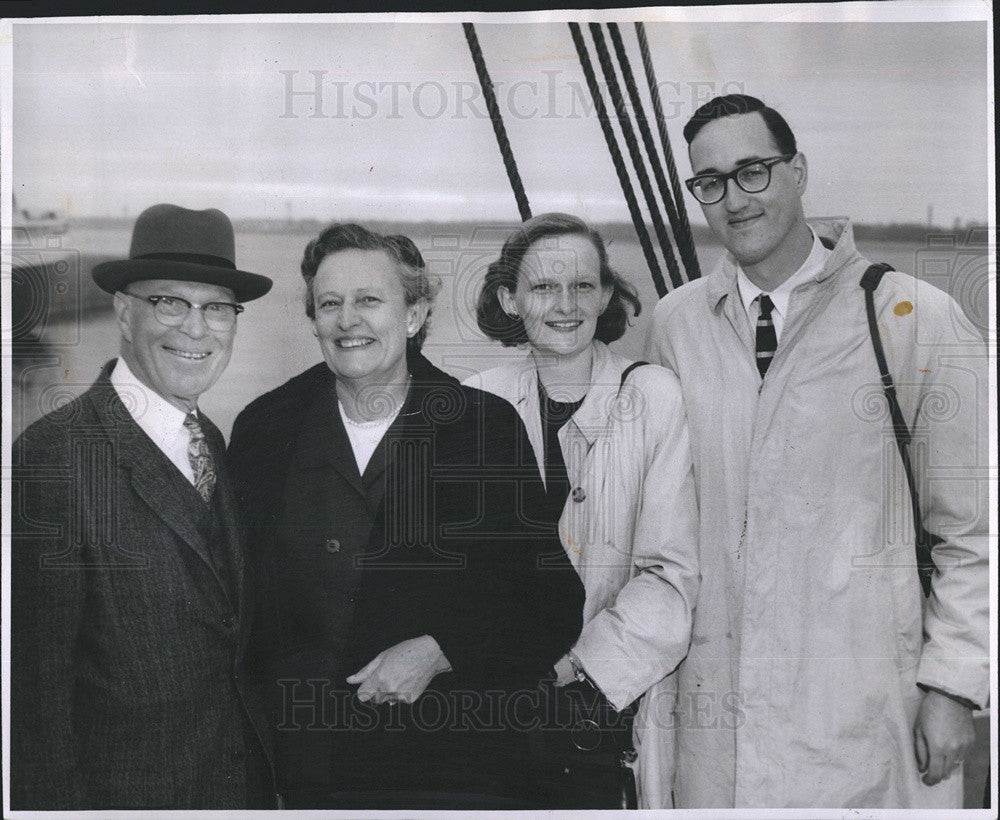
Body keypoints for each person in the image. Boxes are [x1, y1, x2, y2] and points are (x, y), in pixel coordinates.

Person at [648, 94, 989, 808]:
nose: (733, 200)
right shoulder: (676, 323)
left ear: (798, 171)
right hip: (718, 725)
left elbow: (974, 532)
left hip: (867, 713)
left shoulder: (914, 317)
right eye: (709, 182)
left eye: (753, 172)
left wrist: (954, 687)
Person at [226, 223, 584, 809]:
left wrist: (443, 648)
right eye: (330, 304)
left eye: (370, 300)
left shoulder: (481, 429)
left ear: (415, 313)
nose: (348, 321)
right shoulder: (266, 428)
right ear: (313, 319)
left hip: (449, 771)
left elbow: (550, 604)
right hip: (302, 772)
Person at [10, 204, 275, 809]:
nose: (196, 329)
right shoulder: (55, 458)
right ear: (124, 313)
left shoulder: (212, 441)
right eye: (169, 303)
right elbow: (34, 703)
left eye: (216, 308)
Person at [464, 212, 699, 808]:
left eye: (582, 286)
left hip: (604, 711)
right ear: (508, 298)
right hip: (493, 713)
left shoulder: (653, 397)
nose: (565, 305)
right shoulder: (477, 397)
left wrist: (568, 675)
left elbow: (670, 577)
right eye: (543, 287)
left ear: (605, 296)